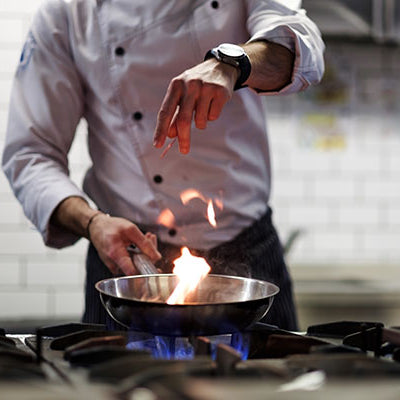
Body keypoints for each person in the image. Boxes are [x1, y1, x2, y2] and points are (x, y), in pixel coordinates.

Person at [2, 0, 324, 331]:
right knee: (112, 383)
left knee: (275, 379)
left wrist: (233, 63)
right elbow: (31, 153)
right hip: (128, 261)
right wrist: (92, 222)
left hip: (249, 256)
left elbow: (304, 47)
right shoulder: (68, 14)